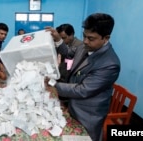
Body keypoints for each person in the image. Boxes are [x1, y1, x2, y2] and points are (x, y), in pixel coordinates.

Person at [46, 13, 120, 141]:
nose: (85, 41)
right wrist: (58, 39)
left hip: (87, 114)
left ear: (106, 38)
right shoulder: (84, 46)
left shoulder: (110, 64)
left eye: (91, 38)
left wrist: (51, 84)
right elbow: (68, 53)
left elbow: (83, 90)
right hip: (72, 106)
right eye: (84, 36)